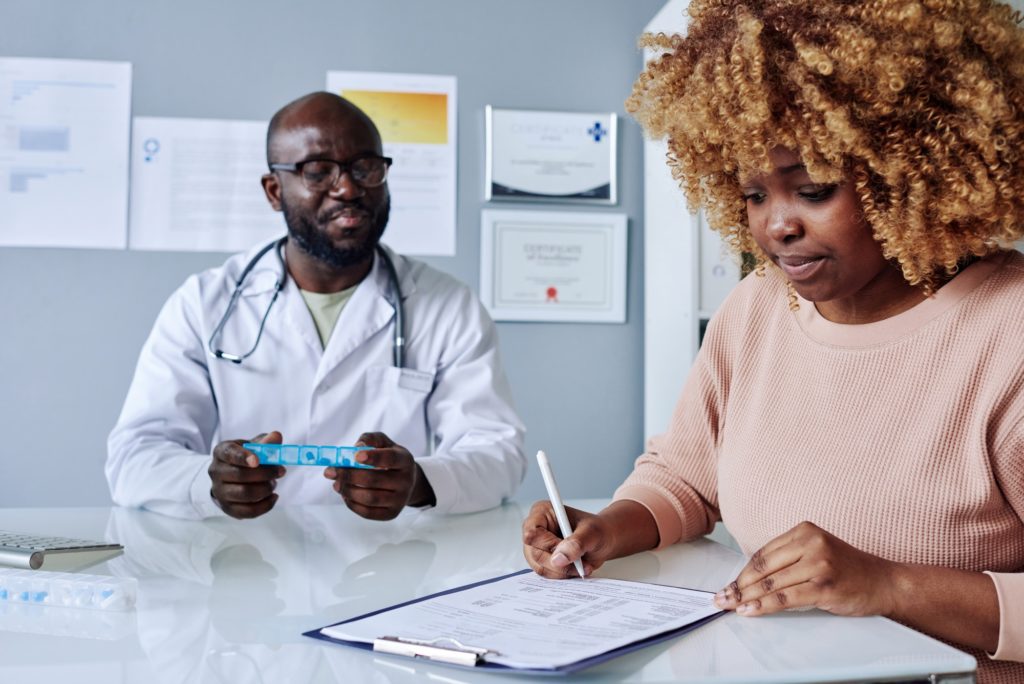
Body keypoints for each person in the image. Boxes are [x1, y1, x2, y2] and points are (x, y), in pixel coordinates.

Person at [522, 1, 1024, 680]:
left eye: (811, 189)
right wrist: (612, 526)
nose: (776, 226)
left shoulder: (1007, 332)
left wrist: (886, 585)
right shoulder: (759, 305)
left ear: (913, 172)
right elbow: (689, 478)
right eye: (754, 193)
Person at [108, 92, 525, 522]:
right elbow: (134, 460)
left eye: (365, 167)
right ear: (274, 191)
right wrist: (208, 482)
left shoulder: (448, 306)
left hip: (395, 562)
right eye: (318, 171)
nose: (347, 188)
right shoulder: (202, 304)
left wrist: (420, 481)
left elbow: (498, 454)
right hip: (242, 565)